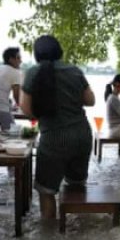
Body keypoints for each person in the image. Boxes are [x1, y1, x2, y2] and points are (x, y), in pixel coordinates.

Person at [20, 35, 95, 219]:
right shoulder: (75, 70)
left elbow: (27, 111)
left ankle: (49, 237)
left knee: (47, 191)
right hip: (81, 135)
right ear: (59, 51)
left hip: (53, 139)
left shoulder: (33, 73)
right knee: (76, 186)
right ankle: (78, 232)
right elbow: (90, 100)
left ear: (37, 54)